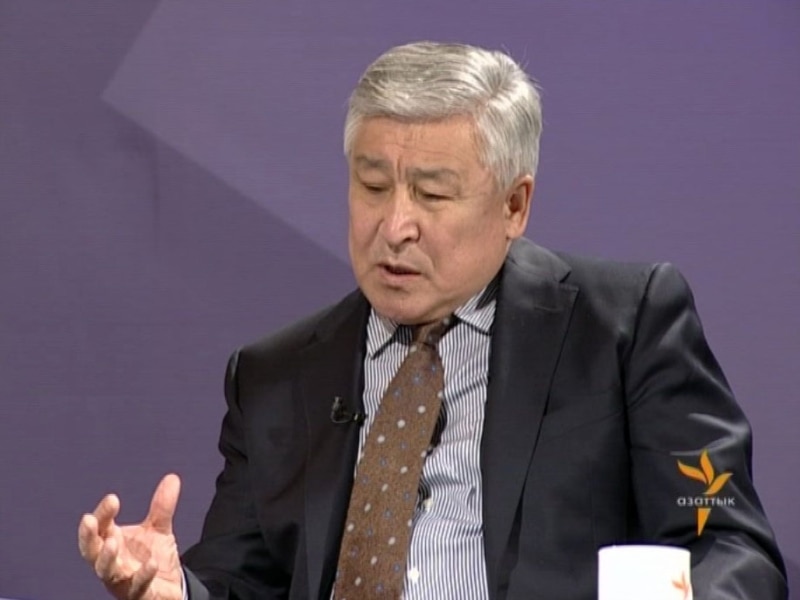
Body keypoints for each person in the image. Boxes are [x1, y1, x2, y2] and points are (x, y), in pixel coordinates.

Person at [78, 41, 787, 599]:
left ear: (515, 205)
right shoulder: (275, 376)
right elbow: (241, 583)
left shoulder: (622, 329)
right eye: (373, 185)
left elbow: (727, 546)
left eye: (433, 194)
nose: (395, 226)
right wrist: (178, 592)